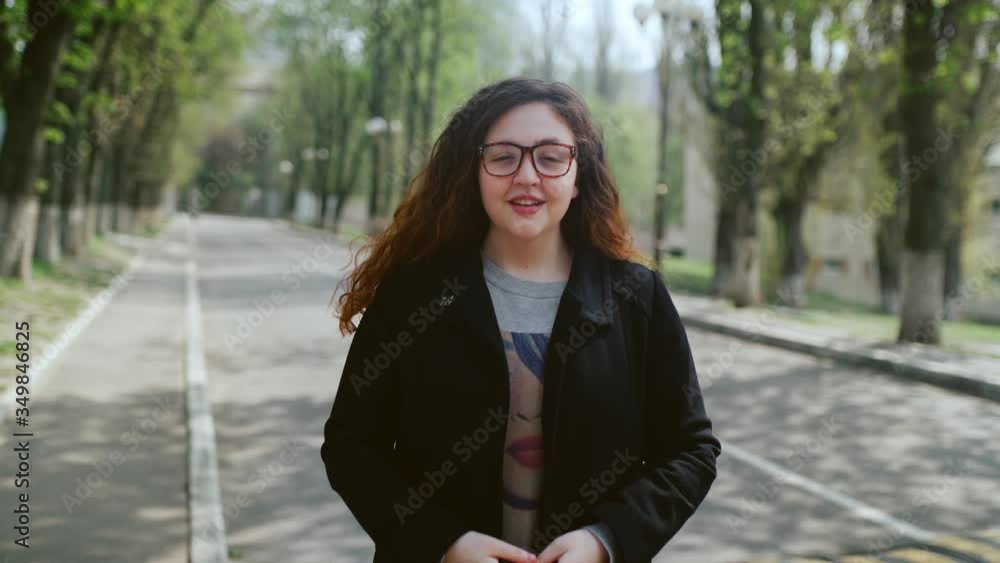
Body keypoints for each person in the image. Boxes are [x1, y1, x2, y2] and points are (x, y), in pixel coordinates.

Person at [320, 77, 721, 563]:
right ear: (474, 171)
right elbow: (352, 446)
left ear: (579, 176)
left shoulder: (636, 297)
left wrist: (607, 540)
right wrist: (442, 543)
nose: (527, 177)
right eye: (503, 156)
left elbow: (690, 450)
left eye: (551, 157)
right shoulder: (414, 295)